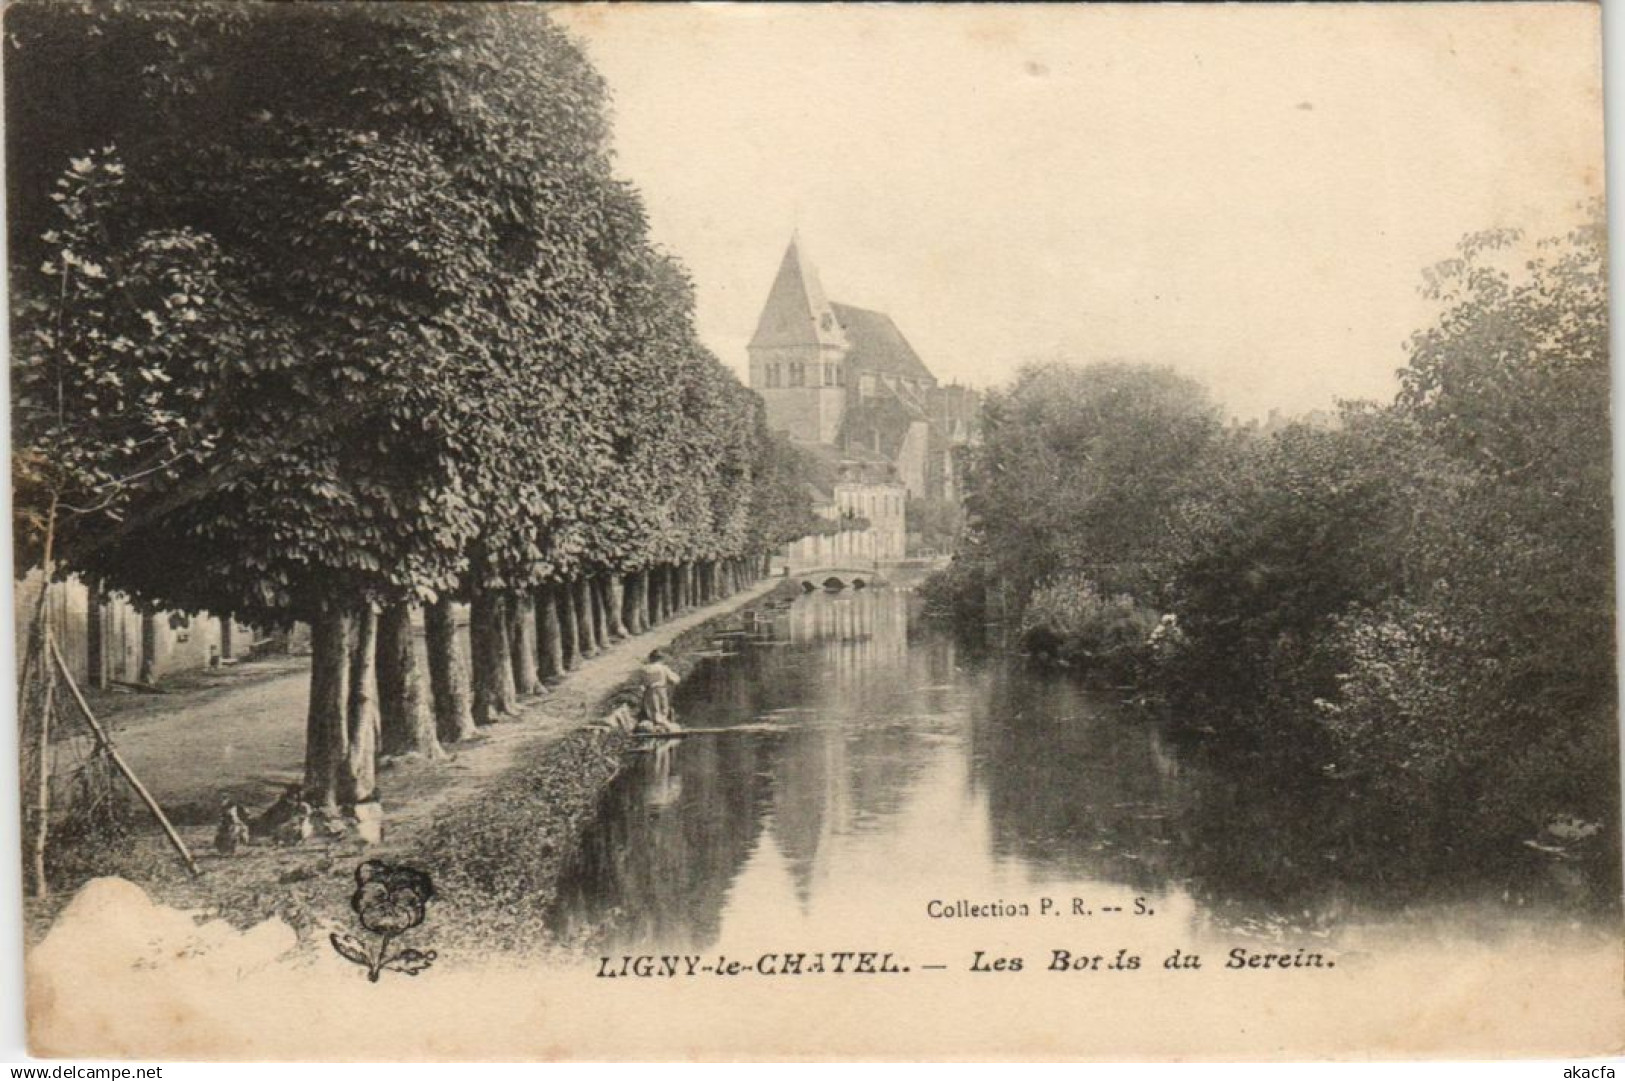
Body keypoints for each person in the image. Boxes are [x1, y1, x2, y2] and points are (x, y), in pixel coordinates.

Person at [637, 649, 682, 732]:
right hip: (661, 690)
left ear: (650, 658)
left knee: (652, 710)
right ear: (660, 659)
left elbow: (641, 683)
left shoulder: (644, 669)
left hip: (649, 691)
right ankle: (664, 728)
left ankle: (656, 727)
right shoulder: (663, 668)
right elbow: (675, 679)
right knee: (663, 709)